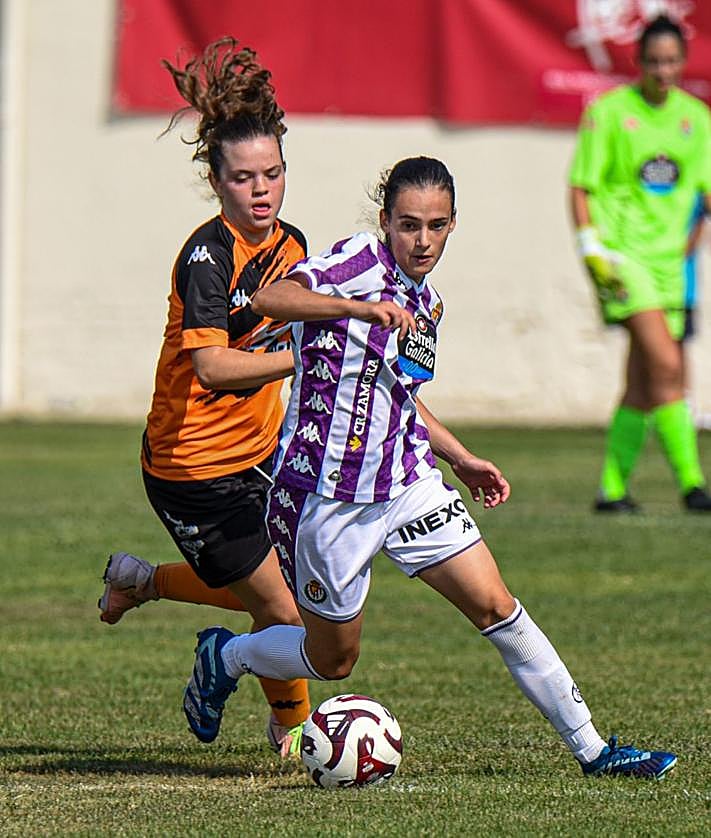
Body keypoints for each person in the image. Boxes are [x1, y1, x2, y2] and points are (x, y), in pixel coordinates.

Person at [181, 156, 676, 779]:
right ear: (385, 220)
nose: (422, 240)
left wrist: (461, 458)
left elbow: (400, 397)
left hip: (407, 484)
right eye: (408, 224)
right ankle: (227, 657)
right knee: (334, 662)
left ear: (451, 226)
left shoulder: (428, 302)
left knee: (498, 608)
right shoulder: (357, 261)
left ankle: (596, 752)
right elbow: (269, 296)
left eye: (436, 226)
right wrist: (355, 310)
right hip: (326, 498)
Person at [98, 37, 311, 756]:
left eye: (272, 174)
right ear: (217, 183)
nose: (261, 190)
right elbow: (217, 369)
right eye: (244, 177)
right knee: (284, 610)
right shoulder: (206, 257)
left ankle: (143, 582)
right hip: (192, 468)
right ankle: (297, 734)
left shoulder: (292, 247)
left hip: (259, 455)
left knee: (298, 594)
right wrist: (297, 358)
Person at [569, 15, 711, 513]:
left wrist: (691, 243)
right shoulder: (609, 112)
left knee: (645, 380)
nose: (663, 70)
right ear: (638, 61)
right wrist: (591, 246)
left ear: (683, 61)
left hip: (670, 267)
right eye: (654, 61)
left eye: (672, 61)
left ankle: (612, 491)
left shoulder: (697, 119)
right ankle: (693, 485)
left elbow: (706, 195)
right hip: (621, 260)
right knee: (670, 365)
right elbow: (581, 185)